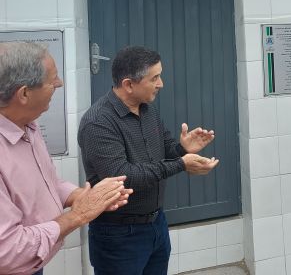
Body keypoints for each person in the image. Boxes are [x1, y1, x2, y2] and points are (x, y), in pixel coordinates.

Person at [78, 46, 219, 275]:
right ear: (128, 84)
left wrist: (183, 149)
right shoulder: (98, 123)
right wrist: (181, 164)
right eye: (154, 78)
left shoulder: (148, 111)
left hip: (156, 225)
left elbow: (165, 152)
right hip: (118, 235)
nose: (161, 84)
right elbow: (124, 177)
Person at [0, 41, 131, 275]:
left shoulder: (27, 125)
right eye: (52, 80)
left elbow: (46, 182)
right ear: (24, 93)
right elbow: (8, 251)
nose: (59, 83)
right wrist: (78, 216)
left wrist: (82, 197)